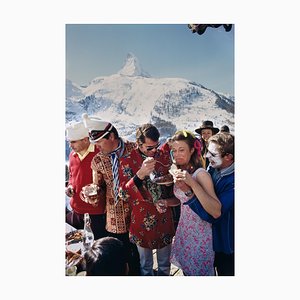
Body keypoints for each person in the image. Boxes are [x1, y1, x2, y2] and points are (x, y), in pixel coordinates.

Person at [81, 113, 140, 276]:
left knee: (139, 255)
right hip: (115, 218)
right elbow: (97, 186)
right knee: (120, 255)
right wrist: (91, 194)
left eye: (99, 141)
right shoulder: (98, 161)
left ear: (112, 136)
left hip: (138, 212)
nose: (97, 146)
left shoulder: (134, 149)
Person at [118, 124, 180, 276]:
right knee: (145, 265)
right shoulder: (127, 161)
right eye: (149, 148)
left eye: (156, 146)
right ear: (138, 144)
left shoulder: (162, 155)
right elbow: (123, 195)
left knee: (165, 265)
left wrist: (170, 180)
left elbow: (173, 181)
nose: (153, 151)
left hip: (164, 216)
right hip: (141, 219)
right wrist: (140, 174)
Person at [169, 130, 221, 276]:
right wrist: (166, 202)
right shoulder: (180, 170)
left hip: (200, 236)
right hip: (185, 233)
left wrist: (192, 184)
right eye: (174, 150)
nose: (177, 154)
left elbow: (216, 211)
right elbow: (183, 200)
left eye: (181, 150)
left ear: (192, 150)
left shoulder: (201, 175)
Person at [185, 132, 234, 276]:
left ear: (228, 157)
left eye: (212, 154)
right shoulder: (213, 167)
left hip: (228, 246)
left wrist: (191, 187)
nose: (206, 157)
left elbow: (214, 214)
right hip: (210, 241)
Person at [65, 121, 107, 239]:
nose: (70, 146)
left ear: (85, 139)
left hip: (96, 213)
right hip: (76, 210)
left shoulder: (100, 154)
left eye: (73, 142)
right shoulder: (73, 155)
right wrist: (69, 187)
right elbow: (72, 176)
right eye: (69, 142)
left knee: (97, 247)